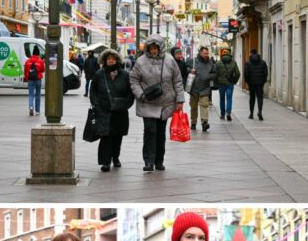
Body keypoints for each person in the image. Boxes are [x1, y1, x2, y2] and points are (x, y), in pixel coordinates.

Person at [130, 37, 184, 173]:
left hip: (165, 103)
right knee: (150, 131)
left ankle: (159, 160)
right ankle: (148, 161)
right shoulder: (140, 61)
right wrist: (140, 94)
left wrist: (180, 100)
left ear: (160, 48)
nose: (153, 50)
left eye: (155, 48)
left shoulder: (170, 60)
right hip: (147, 102)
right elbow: (133, 79)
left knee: (160, 133)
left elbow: (177, 80)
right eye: (151, 48)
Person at [89, 49, 134, 172]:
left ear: (117, 60)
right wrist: (96, 104)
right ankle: (106, 162)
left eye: (113, 59)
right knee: (106, 137)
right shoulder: (99, 74)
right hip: (104, 111)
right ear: (105, 60)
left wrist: (126, 104)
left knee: (117, 137)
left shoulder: (125, 75)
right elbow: (93, 91)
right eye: (109, 59)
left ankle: (116, 157)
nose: (111, 61)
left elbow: (130, 93)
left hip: (120, 112)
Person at [187, 46, 215, 133]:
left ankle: (204, 123)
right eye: (205, 53)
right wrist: (190, 70)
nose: (206, 55)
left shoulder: (210, 62)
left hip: (205, 87)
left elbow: (215, 73)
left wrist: (209, 77)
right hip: (194, 88)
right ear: (200, 53)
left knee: (204, 105)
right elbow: (186, 68)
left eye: (207, 53)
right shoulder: (193, 61)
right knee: (193, 106)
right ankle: (193, 122)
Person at [213, 47, 240, 121]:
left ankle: (222, 114)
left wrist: (216, 82)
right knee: (229, 98)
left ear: (222, 55)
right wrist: (234, 81)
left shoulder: (218, 63)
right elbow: (238, 73)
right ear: (229, 55)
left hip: (221, 84)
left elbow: (215, 74)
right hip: (230, 84)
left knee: (222, 99)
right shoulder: (233, 62)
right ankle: (228, 113)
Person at [243, 50, 269, 120]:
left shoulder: (248, 63)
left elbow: (246, 74)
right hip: (260, 83)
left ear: (251, 53)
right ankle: (260, 111)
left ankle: (251, 114)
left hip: (251, 83)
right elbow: (265, 73)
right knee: (260, 98)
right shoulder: (263, 63)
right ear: (257, 53)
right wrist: (263, 81)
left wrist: (248, 82)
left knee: (252, 98)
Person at [25, 47, 46, 117]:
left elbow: (25, 71)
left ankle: (31, 107)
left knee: (31, 95)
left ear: (33, 53)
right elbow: (43, 70)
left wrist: (26, 78)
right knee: (38, 95)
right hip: (38, 79)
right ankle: (37, 111)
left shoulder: (28, 61)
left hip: (30, 79)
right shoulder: (40, 61)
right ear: (38, 54)